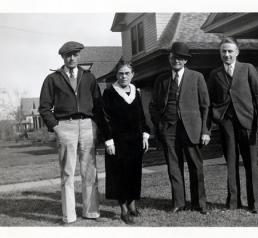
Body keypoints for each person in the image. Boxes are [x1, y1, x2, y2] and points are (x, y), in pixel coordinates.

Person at [207, 37, 258, 214]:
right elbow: (209, 101)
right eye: (223, 51)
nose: (227, 54)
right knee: (231, 162)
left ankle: (254, 203)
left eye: (230, 51)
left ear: (237, 52)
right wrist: (213, 119)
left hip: (247, 121)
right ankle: (233, 202)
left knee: (251, 163)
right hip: (226, 122)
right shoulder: (215, 74)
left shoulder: (248, 69)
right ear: (220, 53)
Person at [39, 41, 101, 224]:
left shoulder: (88, 77)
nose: (71, 58)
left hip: (88, 126)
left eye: (74, 54)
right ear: (62, 57)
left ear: (79, 56)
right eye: (68, 55)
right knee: (67, 173)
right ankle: (69, 216)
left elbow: (98, 104)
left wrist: (95, 124)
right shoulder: (53, 79)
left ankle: (91, 212)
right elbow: (44, 107)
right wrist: (56, 127)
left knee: (89, 171)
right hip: (65, 126)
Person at [149, 42, 210, 215]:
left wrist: (205, 130)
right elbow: (153, 105)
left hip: (192, 128)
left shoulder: (197, 77)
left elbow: (206, 106)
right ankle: (178, 202)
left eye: (181, 58)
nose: (177, 60)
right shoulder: (161, 79)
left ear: (185, 61)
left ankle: (199, 203)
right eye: (174, 57)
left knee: (195, 166)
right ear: (169, 58)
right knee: (173, 166)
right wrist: (159, 124)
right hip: (169, 129)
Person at [99, 61, 150, 225]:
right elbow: (104, 119)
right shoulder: (109, 93)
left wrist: (145, 135)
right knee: (119, 174)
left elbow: (141, 116)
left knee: (134, 173)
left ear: (132, 75)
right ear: (116, 75)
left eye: (127, 73)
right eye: (121, 73)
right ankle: (123, 210)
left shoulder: (136, 91)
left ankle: (133, 205)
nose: (124, 76)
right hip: (117, 141)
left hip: (135, 140)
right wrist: (108, 140)